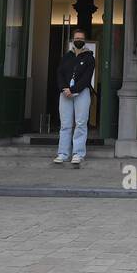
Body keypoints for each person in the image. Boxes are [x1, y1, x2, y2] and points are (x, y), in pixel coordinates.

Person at [55, 28, 95, 168]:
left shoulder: (90, 58)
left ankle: (78, 153)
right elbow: (59, 73)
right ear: (73, 40)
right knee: (65, 125)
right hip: (65, 93)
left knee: (80, 124)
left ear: (84, 41)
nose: (78, 40)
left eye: (81, 38)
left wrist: (73, 90)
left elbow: (86, 78)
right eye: (76, 38)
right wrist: (64, 89)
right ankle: (63, 154)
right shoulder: (67, 56)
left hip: (81, 93)